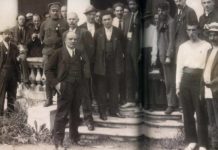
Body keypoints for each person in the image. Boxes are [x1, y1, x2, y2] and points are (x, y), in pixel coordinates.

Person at [45, 31, 90, 149]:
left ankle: (74, 138)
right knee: (62, 114)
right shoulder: (58, 53)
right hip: (64, 87)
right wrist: (56, 84)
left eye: (75, 39)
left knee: (75, 114)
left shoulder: (79, 52)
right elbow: (48, 70)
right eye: (70, 39)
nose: (73, 41)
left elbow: (82, 70)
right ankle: (58, 142)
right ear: (65, 40)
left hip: (78, 87)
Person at [176, 20, 210, 150]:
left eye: (194, 30)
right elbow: (179, 67)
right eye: (189, 30)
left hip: (199, 80)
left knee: (200, 112)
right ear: (186, 31)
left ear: (199, 31)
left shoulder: (206, 45)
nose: (191, 33)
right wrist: (178, 85)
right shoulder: (183, 46)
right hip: (185, 80)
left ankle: (203, 144)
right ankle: (192, 141)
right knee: (187, 112)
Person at [63, 12, 94, 131]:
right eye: (69, 19)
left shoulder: (84, 32)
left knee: (85, 95)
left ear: (78, 20)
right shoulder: (65, 34)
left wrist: (83, 61)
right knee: (70, 95)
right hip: (70, 71)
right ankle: (72, 119)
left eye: (73, 19)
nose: (71, 21)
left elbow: (91, 50)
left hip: (82, 69)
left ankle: (88, 120)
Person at [94, 10, 125, 120]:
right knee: (101, 89)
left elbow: (124, 47)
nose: (107, 21)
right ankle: (102, 112)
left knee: (114, 89)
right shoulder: (98, 33)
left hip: (114, 65)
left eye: (108, 19)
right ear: (101, 21)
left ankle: (114, 111)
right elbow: (94, 50)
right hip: (102, 65)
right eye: (104, 20)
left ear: (112, 20)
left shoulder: (118, 32)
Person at [40, 2, 68, 107]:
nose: (55, 12)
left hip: (60, 52)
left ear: (60, 11)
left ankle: (61, 99)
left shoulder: (65, 23)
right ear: (49, 12)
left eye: (57, 10)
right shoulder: (44, 23)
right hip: (48, 52)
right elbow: (41, 38)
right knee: (48, 75)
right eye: (53, 10)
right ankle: (49, 98)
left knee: (61, 74)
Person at [155, 2, 177, 114]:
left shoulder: (171, 22)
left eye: (162, 10)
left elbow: (172, 41)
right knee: (165, 81)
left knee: (170, 81)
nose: (160, 13)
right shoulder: (160, 22)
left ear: (167, 10)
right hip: (161, 55)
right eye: (158, 10)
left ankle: (171, 105)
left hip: (168, 57)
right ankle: (168, 102)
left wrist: (169, 55)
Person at [121, 0, 141, 108]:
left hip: (137, 50)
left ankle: (141, 100)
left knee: (138, 75)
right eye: (130, 4)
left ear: (137, 5)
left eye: (134, 4)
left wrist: (141, 52)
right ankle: (130, 100)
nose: (132, 6)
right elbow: (125, 35)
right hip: (127, 50)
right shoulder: (126, 17)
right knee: (128, 75)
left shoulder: (141, 17)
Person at [203, 22, 218, 150]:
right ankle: (214, 145)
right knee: (212, 121)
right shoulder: (209, 51)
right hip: (208, 91)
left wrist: (212, 83)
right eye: (211, 35)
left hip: (216, 89)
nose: (212, 38)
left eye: (215, 35)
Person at [0, 29, 21, 116]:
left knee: (12, 95)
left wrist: (19, 58)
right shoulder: (0, 46)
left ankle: (10, 114)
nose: (8, 35)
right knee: (1, 94)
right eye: (6, 34)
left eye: (9, 34)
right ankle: (0, 115)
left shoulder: (14, 46)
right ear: (2, 35)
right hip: (2, 74)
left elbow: (18, 58)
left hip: (13, 74)